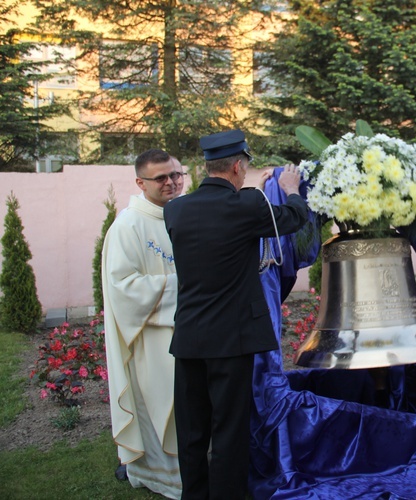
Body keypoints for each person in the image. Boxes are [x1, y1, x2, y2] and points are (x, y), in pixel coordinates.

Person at [163, 129, 308, 499]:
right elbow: (291, 219)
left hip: (190, 337)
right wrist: (290, 187)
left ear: (208, 167)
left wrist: (252, 194)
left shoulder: (176, 209)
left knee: (193, 430)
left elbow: (224, 222)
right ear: (238, 166)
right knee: (229, 430)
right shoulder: (248, 206)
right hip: (232, 340)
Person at [101, 148, 184, 498]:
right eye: (161, 178)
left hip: (187, 329)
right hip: (150, 337)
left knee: (186, 409)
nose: (171, 183)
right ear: (141, 182)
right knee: (160, 406)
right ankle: (160, 475)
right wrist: (187, 284)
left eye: (176, 175)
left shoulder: (185, 213)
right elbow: (124, 288)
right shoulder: (127, 226)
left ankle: (193, 469)